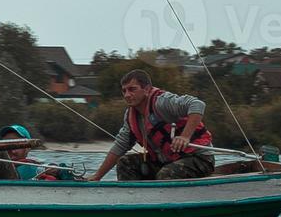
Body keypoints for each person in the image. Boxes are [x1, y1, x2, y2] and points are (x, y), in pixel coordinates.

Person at [86, 69, 214, 181]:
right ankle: (133, 203)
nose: (127, 95)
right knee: (125, 163)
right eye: (124, 91)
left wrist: (185, 137)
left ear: (146, 89)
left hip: (199, 158)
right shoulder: (130, 116)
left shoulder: (162, 102)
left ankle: (166, 206)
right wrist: (97, 176)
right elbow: (120, 146)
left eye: (132, 89)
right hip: (167, 161)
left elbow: (198, 104)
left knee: (166, 174)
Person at [0, 125, 68, 181]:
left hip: (17, 188)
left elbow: (64, 174)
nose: (11, 150)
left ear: (28, 148)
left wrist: (57, 170)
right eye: (6, 145)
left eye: (16, 145)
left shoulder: (36, 168)